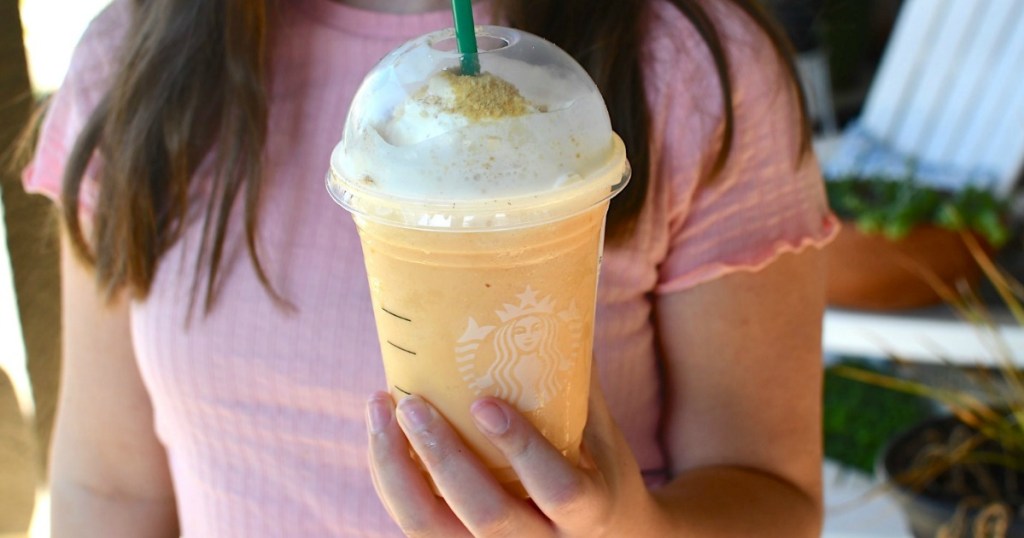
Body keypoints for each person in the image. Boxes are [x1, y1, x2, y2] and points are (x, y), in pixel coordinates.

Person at [23, 0, 837, 535]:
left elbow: (774, 498)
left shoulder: (691, 68)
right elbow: (111, 491)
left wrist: (624, 527)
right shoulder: (138, 62)